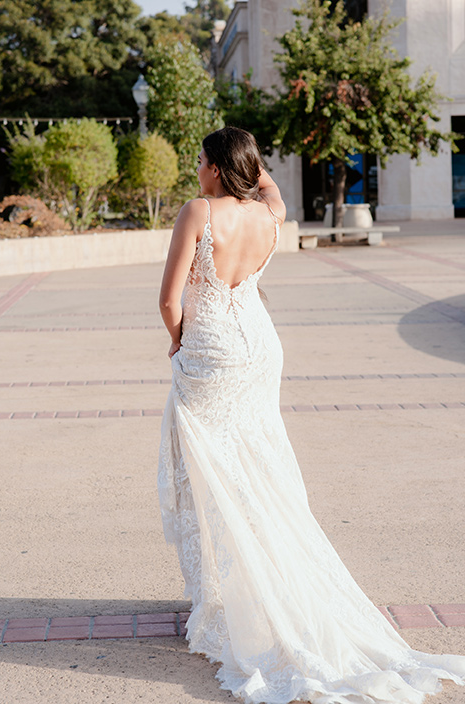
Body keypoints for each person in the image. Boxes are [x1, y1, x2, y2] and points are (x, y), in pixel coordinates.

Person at [157, 126, 465, 704]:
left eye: (201, 161)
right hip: (260, 349)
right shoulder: (270, 214)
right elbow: (266, 183)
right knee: (258, 469)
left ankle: (229, 595)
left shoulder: (197, 210)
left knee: (209, 472)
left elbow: (169, 300)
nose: (196, 170)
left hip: (212, 350)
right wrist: (251, 163)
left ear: (217, 170)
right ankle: (263, 579)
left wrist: (178, 342)